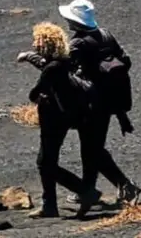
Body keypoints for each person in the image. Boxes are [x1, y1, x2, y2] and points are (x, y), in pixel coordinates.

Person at [58, 0, 141, 209]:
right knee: (93, 148)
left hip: (90, 103)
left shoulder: (78, 43)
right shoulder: (105, 35)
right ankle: (90, 190)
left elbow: (64, 69)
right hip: (109, 102)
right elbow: (124, 61)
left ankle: (117, 186)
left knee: (92, 149)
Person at [18, 22, 101, 219]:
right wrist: (30, 57)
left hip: (53, 118)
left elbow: (34, 93)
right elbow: (44, 66)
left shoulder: (52, 68)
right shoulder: (64, 60)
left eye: (36, 41)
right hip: (66, 116)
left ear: (44, 43)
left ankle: (83, 191)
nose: (34, 43)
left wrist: (38, 96)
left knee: (45, 162)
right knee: (48, 160)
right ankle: (50, 205)